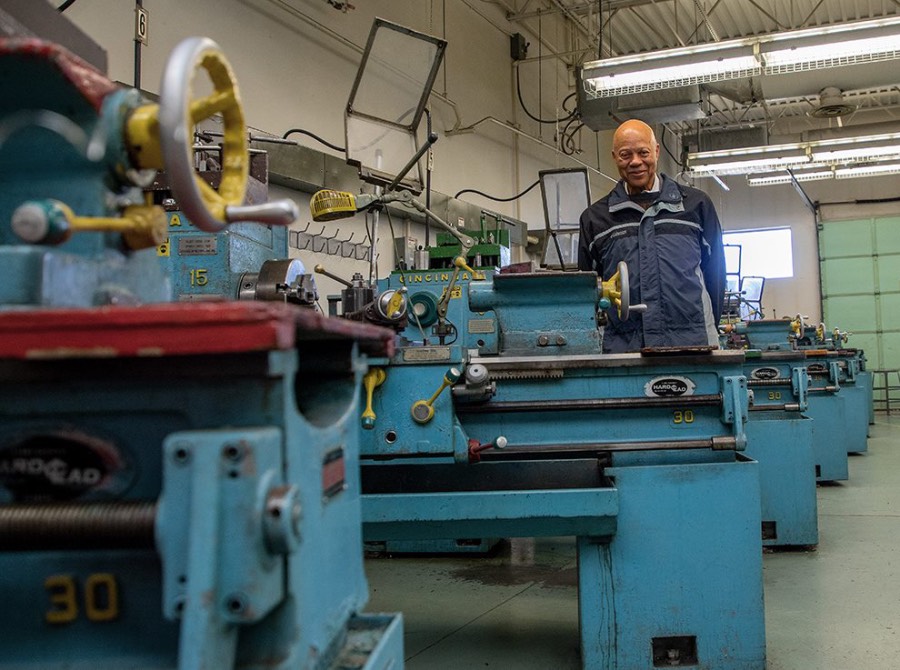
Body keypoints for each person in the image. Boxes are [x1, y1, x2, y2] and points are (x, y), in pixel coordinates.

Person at [578, 119, 726, 353]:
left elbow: (716, 276)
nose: (635, 162)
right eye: (626, 154)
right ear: (615, 157)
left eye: (643, 152)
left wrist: (707, 328)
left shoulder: (696, 206)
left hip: (692, 345)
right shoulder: (595, 219)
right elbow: (586, 290)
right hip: (623, 348)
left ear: (656, 151)